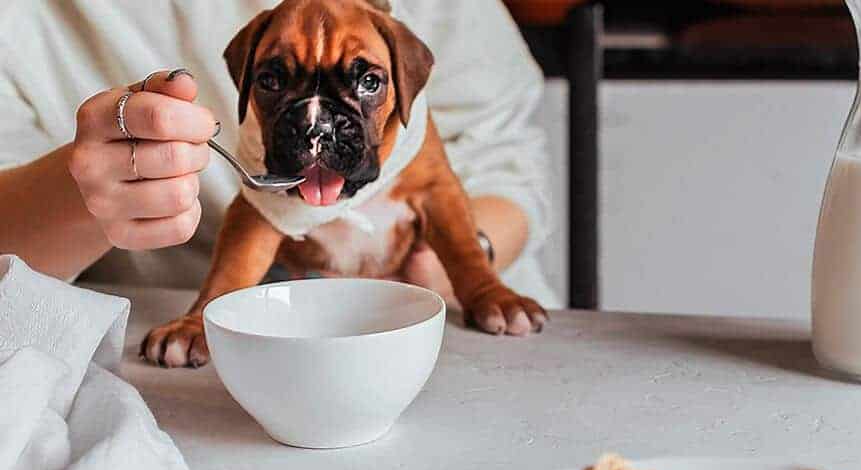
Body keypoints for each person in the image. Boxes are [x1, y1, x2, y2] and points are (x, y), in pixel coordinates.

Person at [0, 0, 559, 309]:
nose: (317, 124)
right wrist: (84, 193)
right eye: (270, 82)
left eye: (364, 83)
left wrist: (462, 267)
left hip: (445, 321)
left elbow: (511, 153)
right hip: (181, 344)